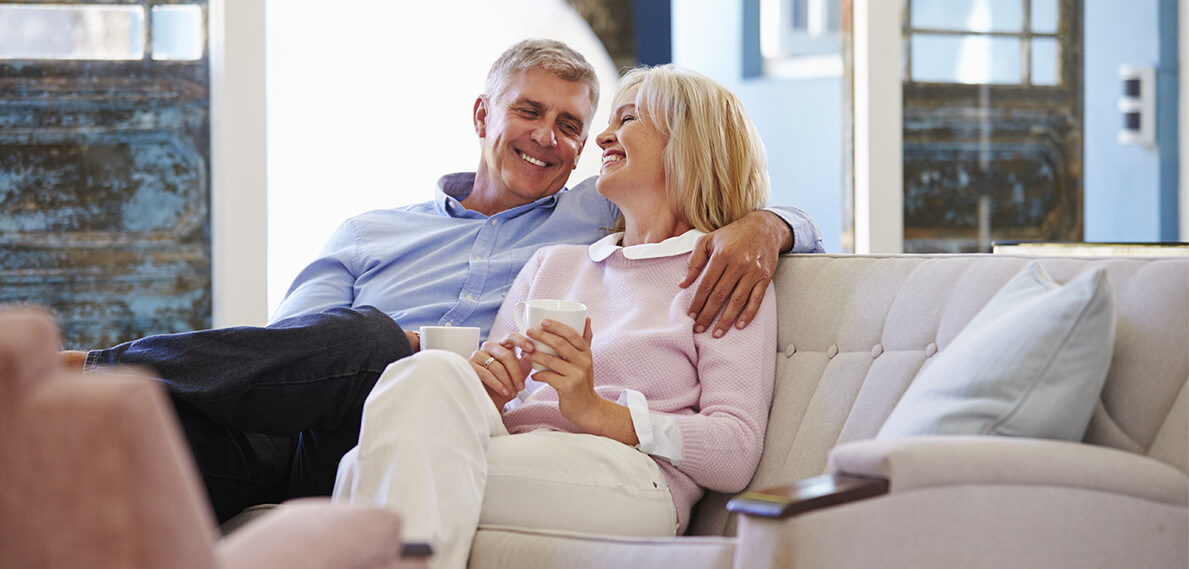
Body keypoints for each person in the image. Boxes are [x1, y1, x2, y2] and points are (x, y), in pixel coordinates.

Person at [71, 39, 821, 524]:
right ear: (481, 113)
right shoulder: (378, 233)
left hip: (467, 425)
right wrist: (478, 375)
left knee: (401, 357)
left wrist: (768, 225)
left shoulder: (602, 221)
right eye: (530, 111)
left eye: (573, 124)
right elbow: (281, 350)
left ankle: (90, 367)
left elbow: (716, 186)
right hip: (329, 419)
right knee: (177, 434)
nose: (562, 139)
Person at [332, 64, 778, 569]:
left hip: (632, 475)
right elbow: (495, 402)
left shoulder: (723, 272)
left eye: (628, 119)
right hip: (519, 448)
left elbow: (737, 449)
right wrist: (492, 388)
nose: (603, 137)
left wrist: (600, 412)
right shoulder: (553, 264)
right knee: (429, 370)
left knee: (376, 466)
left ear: (689, 146)